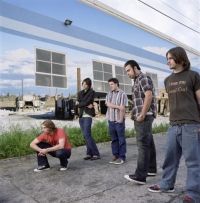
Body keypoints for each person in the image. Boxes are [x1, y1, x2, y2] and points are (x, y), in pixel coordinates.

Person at [148, 47, 200, 203]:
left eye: (170, 58)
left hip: (191, 125)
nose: (168, 61)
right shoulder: (168, 80)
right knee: (170, 158)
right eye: (167, 58)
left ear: (180, 58)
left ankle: (193, 194)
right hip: (173, 125)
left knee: (193, 161)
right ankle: (166, 184)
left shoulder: (193, 76)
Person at [124, 60, 157, 184]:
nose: (127, 73)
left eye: (128, 70)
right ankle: (151, 169)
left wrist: (142, 114)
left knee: (142, 144)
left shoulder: (143, 78)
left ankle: (140, 176)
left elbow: (149, 96)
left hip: (144, 117)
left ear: (135, 67)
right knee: (149, 142)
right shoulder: (137, 81)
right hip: (143, 116)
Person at [77, 77, 100, 160]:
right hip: (81, 116)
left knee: (87, 134)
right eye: (83, 83)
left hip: (88, 115)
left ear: (89, 85)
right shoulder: (79, 93)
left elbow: (86, 101)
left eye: (86, 84)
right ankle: (89, 153)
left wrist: (81, 103)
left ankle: (96, 154)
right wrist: (84, 103)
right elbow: (78, 103)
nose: (84, 85)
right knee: (85, 135)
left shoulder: (92, 92)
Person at [106, 78, 128, 165]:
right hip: (111, 119)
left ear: (116, 84)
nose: (110, 86)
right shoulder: (109, 94)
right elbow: (108, 104)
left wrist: (121, 120)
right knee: (114, 139)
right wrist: (118, 106)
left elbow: (123, 108)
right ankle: (115, 155)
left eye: (111, 84)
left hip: (119, 120)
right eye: (109, 84)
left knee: (121, 140)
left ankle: (122, 157)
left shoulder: (122, 94)